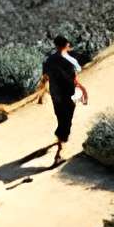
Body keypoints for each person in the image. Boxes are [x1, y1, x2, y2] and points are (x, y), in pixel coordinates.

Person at [41, 36, 86, 164]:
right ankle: (59, 153)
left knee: (60, 117)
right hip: (68, 95)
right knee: (66, 121)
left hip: (56, 95)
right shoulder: (71, 60)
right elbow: (77, 72)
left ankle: (59, 138)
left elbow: (45, 78)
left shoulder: (49, 60)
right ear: (67, 44)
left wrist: (41, 94)